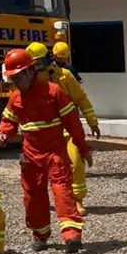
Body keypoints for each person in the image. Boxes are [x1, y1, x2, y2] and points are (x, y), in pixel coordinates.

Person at [0, 48, 92, 253]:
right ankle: (40, 234)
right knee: (33, 196)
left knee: (62, 191)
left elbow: (73, 123)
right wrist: (4, 134)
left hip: (54, 152)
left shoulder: (53, 92)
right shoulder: (16, 98)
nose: (14, 82)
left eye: (17, 77)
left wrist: (83, 149)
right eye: (11, 78)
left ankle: (72, 235)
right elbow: (8, 121)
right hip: (31, 155)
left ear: (30, 72)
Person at [26, 42, 100, 213]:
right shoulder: (28, 82)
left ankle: (77, 200)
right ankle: (43, 201)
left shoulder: (64, 76)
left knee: (75, 162)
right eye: (33, 63)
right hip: (43, 131)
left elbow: (81, 99)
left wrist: (92, 121)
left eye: (39, 62)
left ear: (48, 59)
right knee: (39, 169)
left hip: (68, 128)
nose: (37, 67)